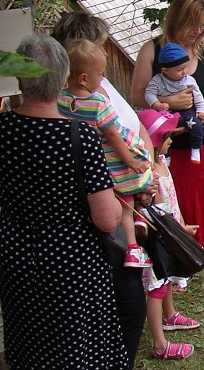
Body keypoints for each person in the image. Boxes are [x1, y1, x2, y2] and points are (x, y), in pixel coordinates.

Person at [0, 35, 129, 370]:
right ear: (64, 78)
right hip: (70, 257)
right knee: (80, 359)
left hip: (17, 248)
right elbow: (106, 218)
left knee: (28, 343)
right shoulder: (79, 135)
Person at [50, 13, 155, 370]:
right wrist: (130, 183)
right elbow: (99, 147)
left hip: (121, 192)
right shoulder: (70, 97)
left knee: (123, 296)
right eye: (100, 45)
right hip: (100, 207)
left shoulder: (93, 86)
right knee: (123, 299)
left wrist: (144, 174)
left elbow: (128, 128)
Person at [131, 0, 204, 292]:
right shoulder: (152, 51)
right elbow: (137, 95)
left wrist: (195, 122)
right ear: (179, 20)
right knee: (171, 204)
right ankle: (182, 262)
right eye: (195, 25)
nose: (200, 31)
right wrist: (168, 103)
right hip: (166, 148)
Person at [59, 39, 154, 269]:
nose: (102, 80)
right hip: (113, 159)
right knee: (132, 195)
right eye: (100, 75)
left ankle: (139, 223)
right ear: (83, 79)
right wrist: (130, 160)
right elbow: (112, 134)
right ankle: (134, 245)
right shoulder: (97, 103)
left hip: (90, 163)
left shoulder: (61, 100)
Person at [136, 108, 200, 360]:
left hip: (171, 230)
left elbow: (172, 201)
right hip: (159, 236)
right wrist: (179, 230)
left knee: (166, 277)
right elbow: (157, 211)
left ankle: (170, 314)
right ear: (154, 141)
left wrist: (181, 224)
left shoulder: (162, 162)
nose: (171, 141)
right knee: (157, 285)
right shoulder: (148, 173)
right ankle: (159, 343)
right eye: (167, 137)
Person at [145, 43, 204, 164]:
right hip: (167, 113)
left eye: (185, 67)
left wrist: (201, 110)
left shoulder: (189, 80)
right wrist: (158, 105)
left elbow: (198, 95)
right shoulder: (157, 81)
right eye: (179, 70)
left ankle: (195, 149)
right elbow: (149, 94)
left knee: (197, 125)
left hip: (187, 112)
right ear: (165, 70)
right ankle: (165, 156)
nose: (184, 72)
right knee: (163, 132)